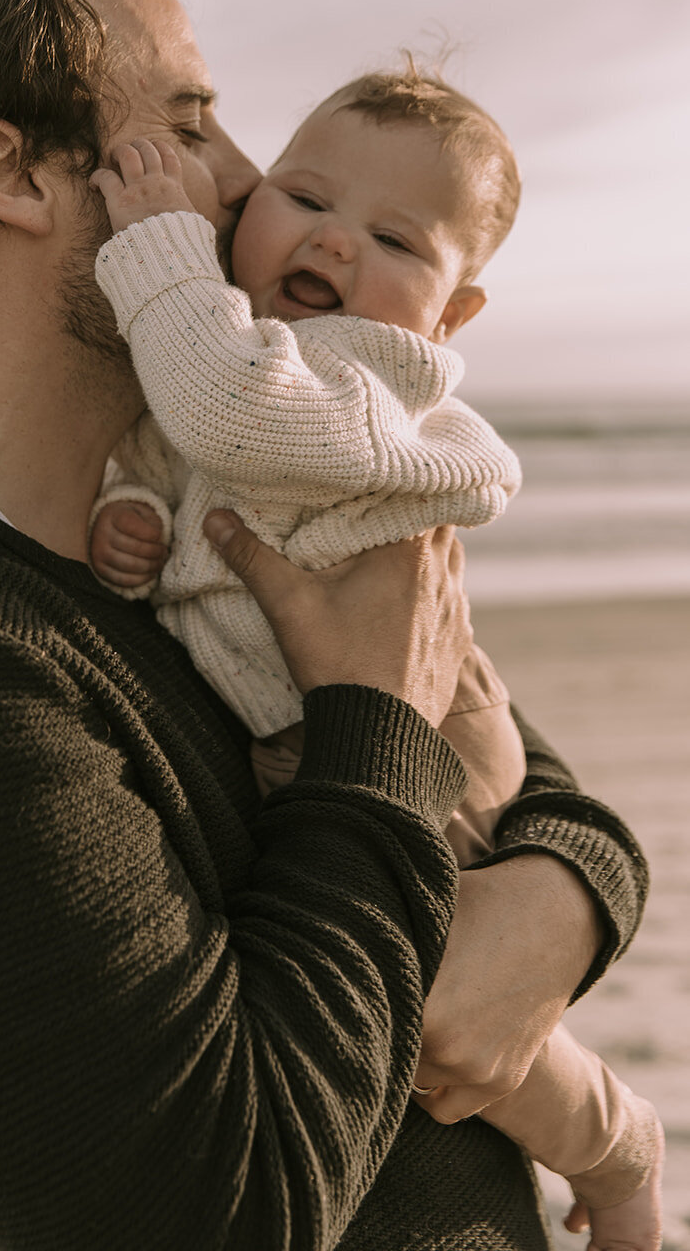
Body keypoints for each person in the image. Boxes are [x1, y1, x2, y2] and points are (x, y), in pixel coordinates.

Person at [0, 0, 651, 1251]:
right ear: (11, 173)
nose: (246, 181)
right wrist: (374, 726)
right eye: (187, 123)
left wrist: (567, 894)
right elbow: (217, 1211)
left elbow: (486, 734)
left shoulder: (183, 512)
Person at [86, 74, 663, 1249]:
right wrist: (129, 509)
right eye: (304, 197)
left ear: (450, 313)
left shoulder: (364, 373)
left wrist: (159, 247)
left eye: (395, 241)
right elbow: (167, 449)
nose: (335, 240)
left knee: (445, 1002)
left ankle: (614, 1150)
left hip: (431, 738)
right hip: (320, 728)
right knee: (411, 990)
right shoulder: (235, 351)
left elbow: (234, 417)